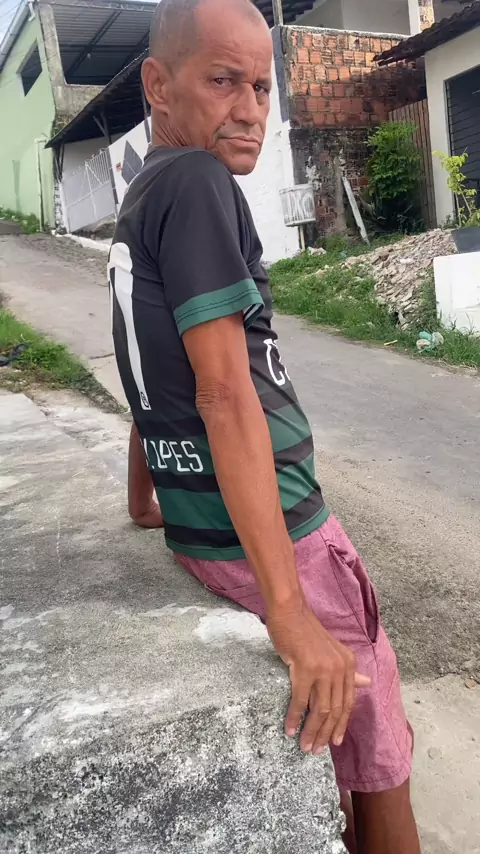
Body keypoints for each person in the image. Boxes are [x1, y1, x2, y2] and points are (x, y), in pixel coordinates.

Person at [110, 1, 420, 851]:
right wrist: (289, 610)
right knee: (377, 746)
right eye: (223, 81)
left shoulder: (145, 196)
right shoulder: (197, 182)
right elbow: (220, 392)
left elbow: (154, 376)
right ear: (158, 86)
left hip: (210, 532)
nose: (249, 109)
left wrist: (147, 500)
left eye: (259, 86)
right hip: (282, 539)